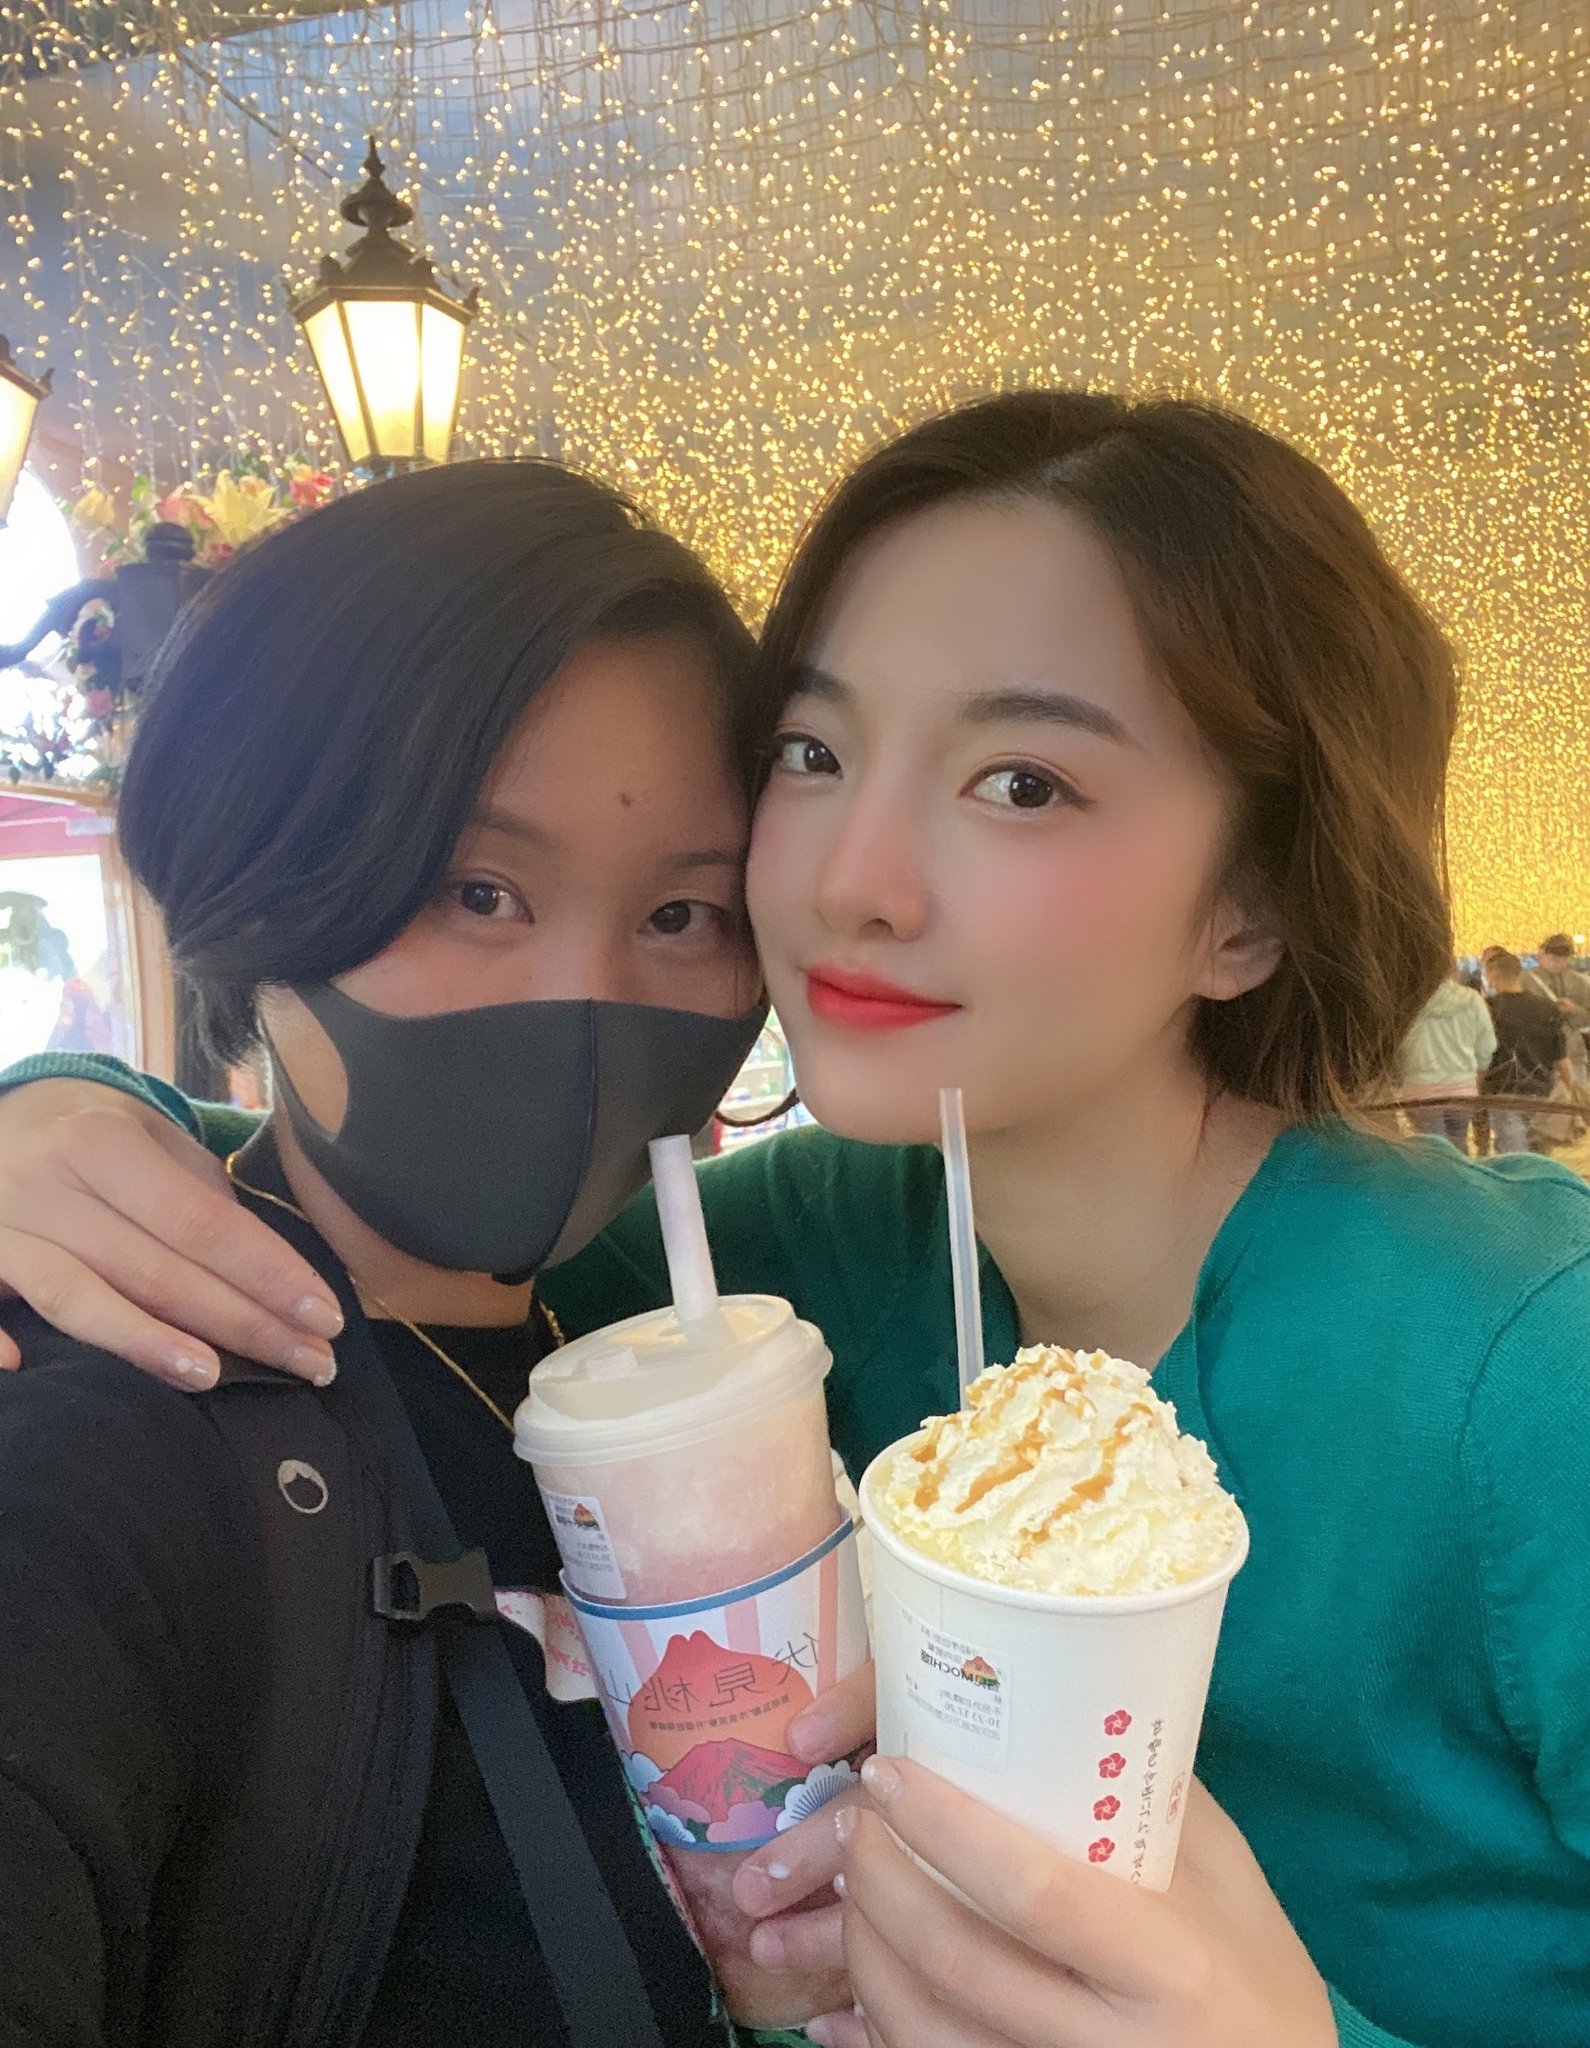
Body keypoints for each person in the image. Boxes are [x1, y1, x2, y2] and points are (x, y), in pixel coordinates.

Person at [3, 391, 1590, 2048]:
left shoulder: (1528, 1367)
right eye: (815, 755)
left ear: (1250, 907)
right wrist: (66, 1114)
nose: (851, 881)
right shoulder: (801, 1248)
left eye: (1023, 781)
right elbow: (369, 1225)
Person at [0, 458, 865, 2048]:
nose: (583, 1001)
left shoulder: (641, 1350)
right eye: (478, 889)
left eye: (682, 914)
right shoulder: (107, 1417)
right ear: (256, 892)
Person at [1393, 965, 1496, 1151]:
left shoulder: (1409, 1002)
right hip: (1462, 1089)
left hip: (1419, 1090)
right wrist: (1476, 1075)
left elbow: (1399, 1048)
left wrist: (1401, 1078)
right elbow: (1487, 1045)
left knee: (1432, 1152)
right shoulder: (1472, 999)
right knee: (1458, 1146)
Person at [1483, 949, 1572, 1152]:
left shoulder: (1488, 1008)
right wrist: (1569, 1086)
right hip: (1541, 1091)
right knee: (1541, 1154)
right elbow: (1561, 1057)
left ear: (1493, 974)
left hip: (1503, 1091)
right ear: (1519, 973)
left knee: (1515, 1156)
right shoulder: (1547, 1007)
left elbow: (1482, 1054)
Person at [1527, 933, 1590, 1093]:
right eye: (1554, 958)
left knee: (1578, 1102)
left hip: (1573, 1053)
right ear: (1542, 955)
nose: (1558, 963)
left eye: (1564, 959)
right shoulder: (1527, 980)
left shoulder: (1580, 982)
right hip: (1539, 1056)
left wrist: (1574, 1010)